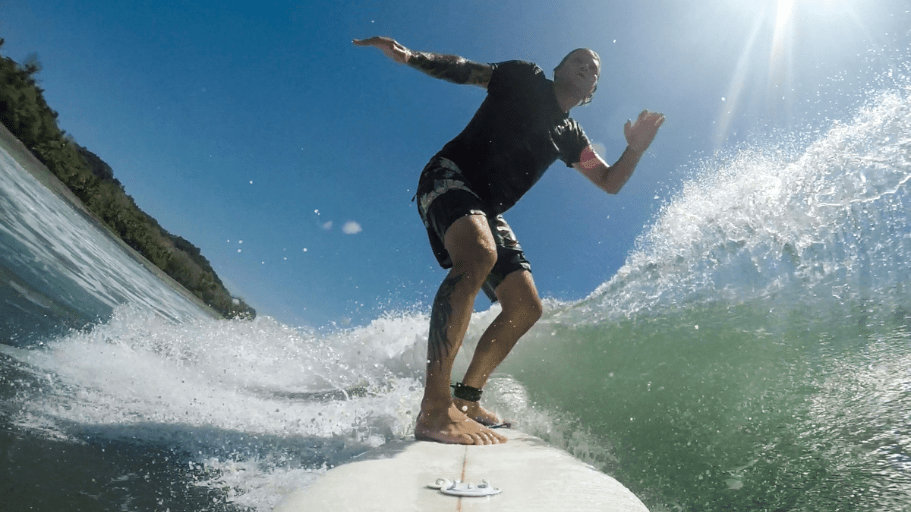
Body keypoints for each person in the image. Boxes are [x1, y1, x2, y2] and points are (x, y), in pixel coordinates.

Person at [353, 36, 664, 445]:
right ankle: (434, 409)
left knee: (525, 307)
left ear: (590, 94)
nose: (587, 67)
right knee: (479, 254)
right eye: (579, 61)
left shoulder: (571, 136)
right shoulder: (525, 77)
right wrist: (411, 57)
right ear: (558, 69)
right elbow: (466, 68)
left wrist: (635, 150)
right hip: (449, 174)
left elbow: (609, 180)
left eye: (594, 70)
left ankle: (466, 400)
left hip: (487, 209)